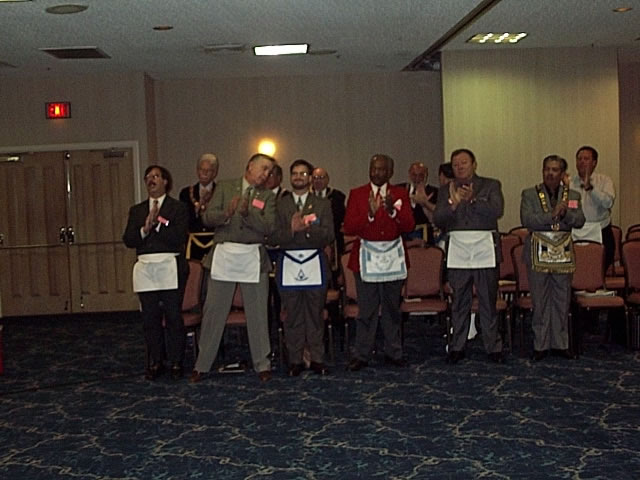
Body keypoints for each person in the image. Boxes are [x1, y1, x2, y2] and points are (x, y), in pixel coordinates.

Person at [190, 153, 277, 383]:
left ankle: (262, 363)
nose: (266, 174)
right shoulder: (225, 187)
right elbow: (207, 218)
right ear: (250, 166)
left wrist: (248, 215)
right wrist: (226, 214)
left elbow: (269, 227)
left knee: (258, 313)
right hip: (225, 256)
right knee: (214, 311)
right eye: (264, 168)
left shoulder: (267, 196)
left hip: (252, 257)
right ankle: (202, 364)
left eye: (269, 171)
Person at [343, 154, 415, 371]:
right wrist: (370, 214)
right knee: (366, 310)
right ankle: (362, 354)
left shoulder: (400, 194)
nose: (376, 173)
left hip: (393, 258)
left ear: (390, 172)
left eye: (381, 169)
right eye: (373, 168)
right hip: (366, 259)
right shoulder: (357, 194)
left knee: (392, 309)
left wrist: (393, 211)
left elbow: (409, 226)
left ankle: (394, 352)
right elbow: (348, 227)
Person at [433, 148, 505, 364]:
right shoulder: (445, 190)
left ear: (474, 164)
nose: (459, 167)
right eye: (455, 164)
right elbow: (438, 219)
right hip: (458, 249)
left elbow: (497, 211)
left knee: (487, 299)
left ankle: (493, 347)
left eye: (464, 163)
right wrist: (453, 205)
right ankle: (457, 345)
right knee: (459, 301)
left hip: (484, 248)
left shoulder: (490, 185)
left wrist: (473, 200)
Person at [122, 165, 189, 380]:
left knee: (173, 317)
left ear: (165, 181)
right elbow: (129, 240)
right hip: (146, 268)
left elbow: (179, 237)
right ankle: (155, 360)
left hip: (170, 266)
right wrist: (144, 230)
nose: (151, 180)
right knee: (150, 318)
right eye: (148, 177)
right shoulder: (137, 210)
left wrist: (158, 225)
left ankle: (176, 361)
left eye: (156, 176)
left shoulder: (178, 208)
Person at [272, 159, 335, 376]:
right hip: (288, 263)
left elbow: (329, 235)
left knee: (315, 314)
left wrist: (307, 229)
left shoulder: (322, 204)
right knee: (293, 315)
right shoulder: (280, 204)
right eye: (295, 173)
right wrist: (291, 230)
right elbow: (272, 237)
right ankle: (295, 360)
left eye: (303, 174)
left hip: (314, 263)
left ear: (310, 178)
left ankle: (317, 359)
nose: (298, 177)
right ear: (290, 177)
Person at [521, 155, 585, 361]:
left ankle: (560, 343)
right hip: (538, 251)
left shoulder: (572, 195)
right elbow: (528, 220)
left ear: (562, 173)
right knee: (539, 300)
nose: (550, 173)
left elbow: (579, 221)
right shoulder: (530, 194)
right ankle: (540, 345)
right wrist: (552, 215)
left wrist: (565, 214)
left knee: (562, 299)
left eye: (555, 169)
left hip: (562, 252)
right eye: (547, 169)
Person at [569, 146, 616, 271]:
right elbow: (569, 207)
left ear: (594, 162)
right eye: (579, 159)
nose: (582, 162)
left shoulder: (605, 181)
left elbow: (608, 203)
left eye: (586, 159)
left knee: (598, 271)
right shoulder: (570, 183)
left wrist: (591, 188)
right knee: (577, 271)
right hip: (575, 232)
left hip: (601, 230)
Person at [179, 153, 218, 260]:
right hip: (193, 242)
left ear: (214, 173)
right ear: (197, 171)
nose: (204, 173)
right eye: (202, 169)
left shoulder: (220, 191)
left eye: (208, 170)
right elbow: (184, 219)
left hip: (214, 241)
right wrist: (198, 207)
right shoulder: (186, 193)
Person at [399, 162, 438, 245]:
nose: (417, 178)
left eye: (421, 175)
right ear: (409, 174)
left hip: (425, 233)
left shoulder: (435, 192)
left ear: (426, 175)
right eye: (414, 175)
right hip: (403, 234)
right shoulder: (400, 189)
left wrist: (424, 203)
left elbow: (436, 216)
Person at [311, 167, 346, 258]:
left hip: (333, 239)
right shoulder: (307, 197)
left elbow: (340, 218)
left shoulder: (337, 196)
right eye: (315, 178)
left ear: (327, 179)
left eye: (321, 177)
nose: (318, 181)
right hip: (311, 240)